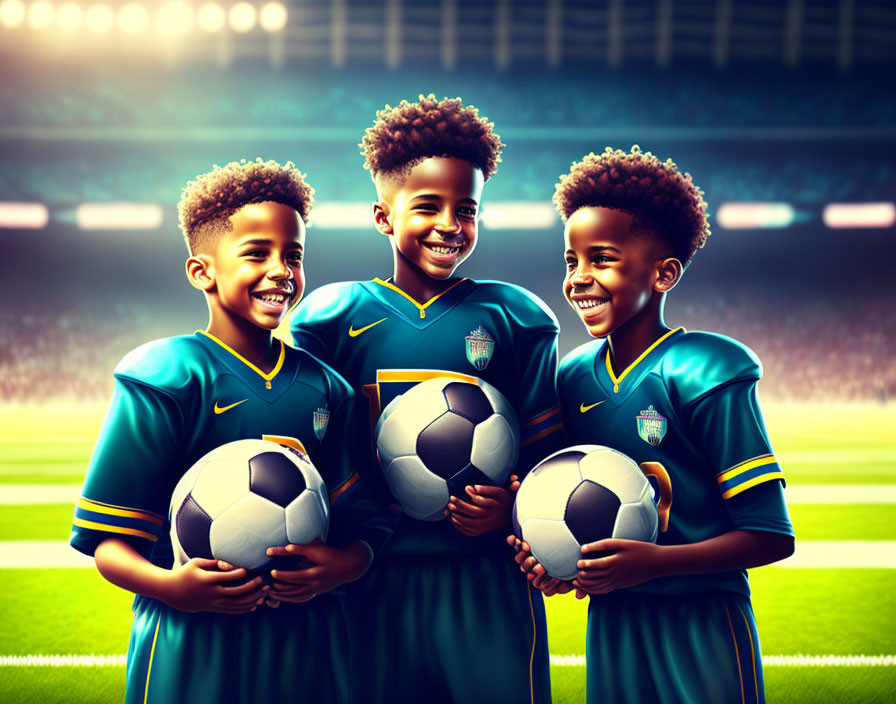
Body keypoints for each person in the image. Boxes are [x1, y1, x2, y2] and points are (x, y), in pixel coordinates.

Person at [70, 158, 383, 704]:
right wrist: (172, 587)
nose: (282, 270)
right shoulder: (165, 376)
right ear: (202, 271)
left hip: (306, 639)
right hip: (192, 638)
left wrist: (341, 566)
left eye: (293, 255)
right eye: (257, 253)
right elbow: (108, 544)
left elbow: (366, 525)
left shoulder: (328, 388)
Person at [289, 95, 562, 704]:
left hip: (485, 576)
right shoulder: (329, 319)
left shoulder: (516, 316)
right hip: (367, 576)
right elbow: (309, 457)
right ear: (384, 217)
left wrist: (511, 511)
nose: (449, 224)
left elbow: (552, 465)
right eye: (427, 207)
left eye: (466, 210)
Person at [511, 146, 795, 704]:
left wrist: (657, 562)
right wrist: (556, 564)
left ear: (664, 272)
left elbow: (770, 534)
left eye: (602, 259)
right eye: (571, 261)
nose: (578, 278)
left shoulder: (706, 368)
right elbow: (568, 506)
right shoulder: (572, 378)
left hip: (702, 617)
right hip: (614, 619)